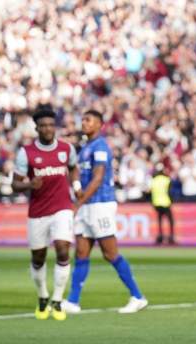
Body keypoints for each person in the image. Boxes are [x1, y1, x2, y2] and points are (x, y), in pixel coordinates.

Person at [61, 110, 148, 314]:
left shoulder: (100, 146)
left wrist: (77, 204)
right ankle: (73, 301)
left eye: (89, 120)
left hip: (100, 204)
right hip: (86, 204)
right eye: (83, 119)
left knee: (110, 254)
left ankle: (137, 296)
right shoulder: (84, 148)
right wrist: (76, 187)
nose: (84, 123)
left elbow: (98, 178)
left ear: (100, 124)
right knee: (81, 252)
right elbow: (76, 173)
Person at [11, 106, 78, 320]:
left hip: (63, 208)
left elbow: (73, 167)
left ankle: (57, 301)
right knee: (38, 258)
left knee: (62, 250)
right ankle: (42, 296)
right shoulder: (26, 153)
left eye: (51, 125)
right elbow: (15, 184)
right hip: (38, 212)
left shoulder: (67, 149)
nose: (48, 129)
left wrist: (75, 186)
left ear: (55, 127)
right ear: (37, 128)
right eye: (43, 126)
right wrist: (30, 184)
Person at [150, 163, 175, 245]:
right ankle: (171, 237)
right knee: (170, 220)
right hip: (165, 202)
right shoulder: (166, 179)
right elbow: (170, 192)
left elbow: (151, 192)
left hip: (156, 203)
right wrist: (172, 201)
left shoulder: (153, 180)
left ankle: (160, 237)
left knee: (160, 220)